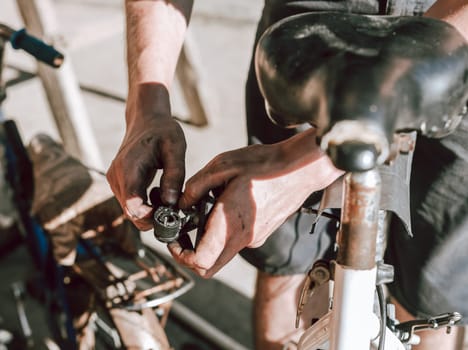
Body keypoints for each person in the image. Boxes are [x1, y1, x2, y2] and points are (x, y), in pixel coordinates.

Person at [107, 0, 468, 349]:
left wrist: (301, 163)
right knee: (284, 255)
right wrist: (147, 109)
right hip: (315, 26)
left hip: (460, 32)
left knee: (434, 294)